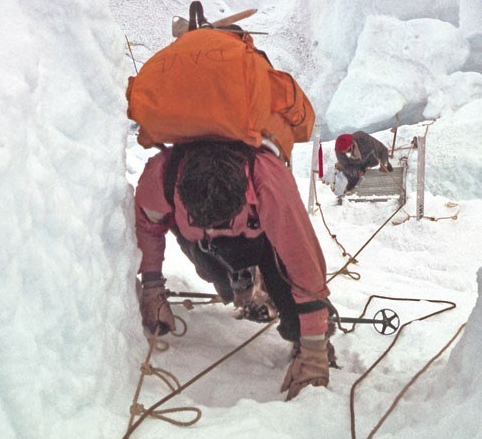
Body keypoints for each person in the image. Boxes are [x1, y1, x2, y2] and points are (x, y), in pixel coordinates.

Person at [134, 140, 333, 400]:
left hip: (261, 238)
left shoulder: (268, 181)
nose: (218, 229)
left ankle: (284, 311)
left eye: (222, 223)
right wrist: (153, 290)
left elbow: (302, 261)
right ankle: (245, 288)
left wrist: (314, 348)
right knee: (221, 282)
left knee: (289, 298)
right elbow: (149, 227)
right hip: (203, 247)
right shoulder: (161, 177)